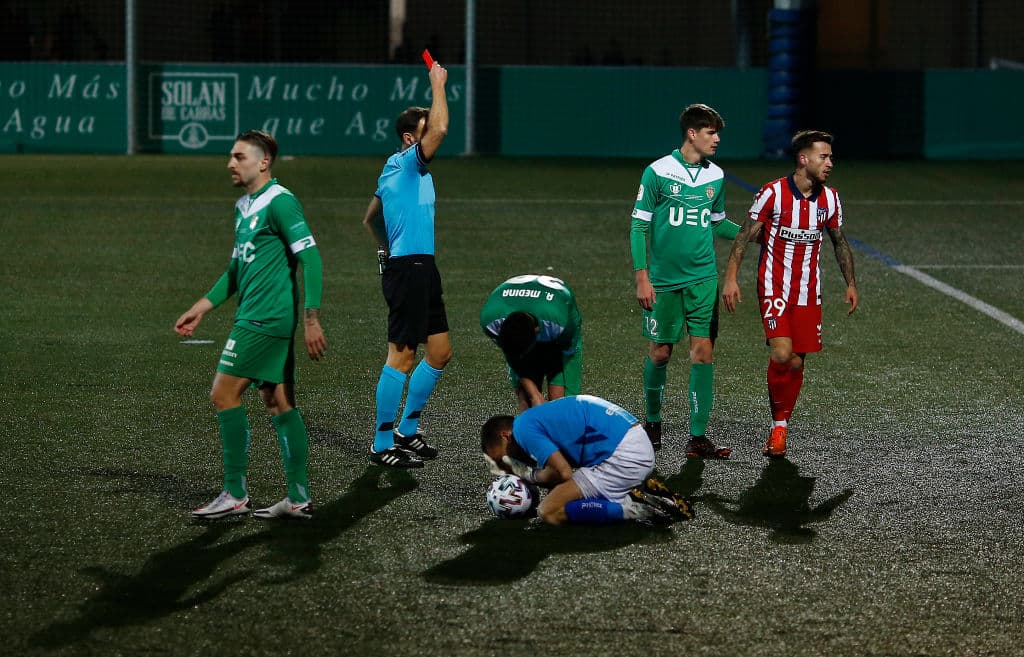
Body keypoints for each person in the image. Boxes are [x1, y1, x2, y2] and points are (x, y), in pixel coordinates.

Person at [175, 129, 327, 520]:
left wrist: (312, 318)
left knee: (223, 393)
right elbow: (235, 270)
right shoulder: (243, 207)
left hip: (264, 319)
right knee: (278, 404)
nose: (230, 163)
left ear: (263, 162)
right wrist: (202, 307)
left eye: (239, 156)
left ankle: (235, 493)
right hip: (258, 317)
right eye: (231, 156)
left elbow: (311, 259)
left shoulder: (280, 202)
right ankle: (298, 499)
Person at [721, 130, 858, 458]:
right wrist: (730, 279)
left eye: (830, 157)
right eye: (823, 157)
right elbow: (743, 237)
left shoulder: (830, 199)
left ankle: (779, 428)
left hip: (809, 293)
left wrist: (851, 283)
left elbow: (839, 241)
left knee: (796, 362)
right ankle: (778, 427)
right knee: (782, 354)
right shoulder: (772, 193)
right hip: (773, 288)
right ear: (803, 159)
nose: (829, 163)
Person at [630, 103, 741, 457]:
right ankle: (652, 423)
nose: (717, 139)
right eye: (711, 132)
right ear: (692, 133)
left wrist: (750, 233)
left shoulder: (716, 176)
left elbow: (717, 222)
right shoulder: (657, 172)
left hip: (703, 279)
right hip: (663, 282)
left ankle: (697, 437)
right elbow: (639, 225)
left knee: (703, 353)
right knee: (660, 353)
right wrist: (642, 277)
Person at [361, 59, 452, 468]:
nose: (431, 127)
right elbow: (441, 129)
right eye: (423, 125)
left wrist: (386, 250)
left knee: (440, 351)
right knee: (401, 356)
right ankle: (382, 444)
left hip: (421, 269)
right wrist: (437, 83)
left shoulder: (405, 171)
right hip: (408, 270)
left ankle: (408, 430)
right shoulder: (405, 163)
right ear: (408, 137)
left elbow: (371, 218)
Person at [481, 395, 694, 526]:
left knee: (550, 511)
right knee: (569, 496)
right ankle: (632, 493)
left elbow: (562, 473)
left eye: (504, 456)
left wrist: (529, 475)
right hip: (634, 443)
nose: (510, 461)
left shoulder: (523, 430)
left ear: (505, 435)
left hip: (622, 457)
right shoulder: (533, 420)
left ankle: (634, 507)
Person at [479, 274, 582, 410]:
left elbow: (571, 357)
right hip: (531, 312)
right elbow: (512, 356)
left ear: (538, 331)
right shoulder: (491, 321)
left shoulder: (560, 322)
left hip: (554, 310)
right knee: (526, 400)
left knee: (560, 402)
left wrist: (569, 404)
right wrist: (534, 395)